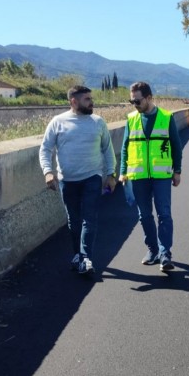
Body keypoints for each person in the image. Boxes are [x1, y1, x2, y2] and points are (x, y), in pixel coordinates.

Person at [39, 85, 117, 274]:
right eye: (87, 99)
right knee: (73, 220)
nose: (92, 102)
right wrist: (48, 172)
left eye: (91, 98)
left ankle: (85, 259)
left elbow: (108, 149)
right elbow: (45, 149)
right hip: (67, 180)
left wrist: (111, 174)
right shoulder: (58, 122)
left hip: (92, 177)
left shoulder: (98, 122)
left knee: (89, 220)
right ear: (73, 101)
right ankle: (78, 255)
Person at [120, 81, 183, 272]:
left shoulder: (166, 117)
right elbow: (125, 147)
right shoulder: (131, 119)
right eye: (132, 102)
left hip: (161, 174)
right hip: (138, 175)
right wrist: (123, 172)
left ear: (149, 98)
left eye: (137, 101)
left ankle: (165, 254)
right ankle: (153, 250)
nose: (134, 105)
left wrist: (177, 171)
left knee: (164, 214)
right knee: (144, 215)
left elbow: (176, 145)